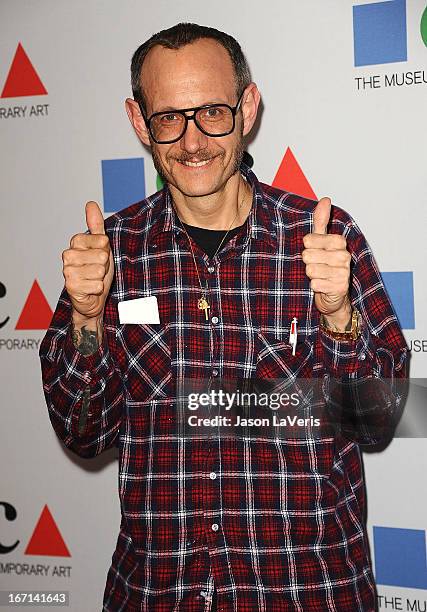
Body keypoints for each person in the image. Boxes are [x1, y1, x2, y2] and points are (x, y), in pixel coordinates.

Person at [39, 22, 408, 611]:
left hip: (305, 594)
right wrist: (87, 319)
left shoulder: (322, 240)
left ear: (248, 107)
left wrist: (338, 317)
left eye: (212, 111)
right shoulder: (112, 252)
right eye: (169, 117)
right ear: (139, 122)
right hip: (160, 594)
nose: (192, 141)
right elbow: (83, 434)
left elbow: (377, 421)